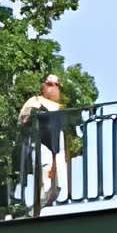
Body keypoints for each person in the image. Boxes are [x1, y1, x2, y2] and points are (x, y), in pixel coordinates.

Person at [15, 76, 67, 214]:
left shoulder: (60, 107)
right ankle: (36, 210)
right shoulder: (34, 101)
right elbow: (21, 122)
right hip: (39, 144)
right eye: (49, 84)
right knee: (45, 179)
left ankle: (41, 209)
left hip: (56, 146)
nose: (53, 87)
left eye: (56, 85)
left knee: (58, 184)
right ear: (44, 85)